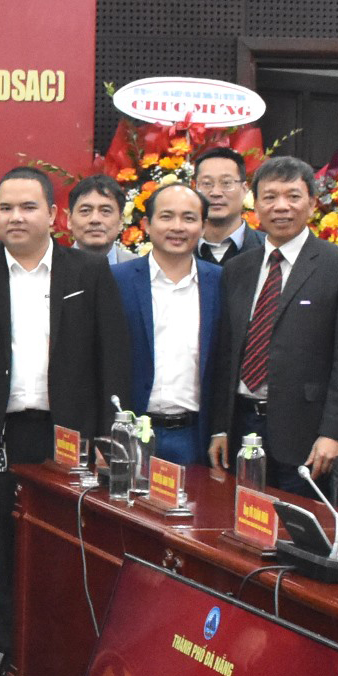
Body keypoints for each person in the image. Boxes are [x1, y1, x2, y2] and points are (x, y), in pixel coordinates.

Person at [0, 167, 128, 676]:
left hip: (71, 437)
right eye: (6, 208)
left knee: (67, 553)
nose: (15, 217)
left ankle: (67, 661)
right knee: (6, 551)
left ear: (54, 215)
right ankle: (15, 660)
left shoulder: (88, 272)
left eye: (28, 207)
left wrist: (109, 437)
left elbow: (112, 361)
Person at [208, 156, 338, 490]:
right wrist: (220, 427)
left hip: (307, 434)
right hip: (241, 426)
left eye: (293, 196)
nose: (281, 206)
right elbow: (226, 353)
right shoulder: (238, 269)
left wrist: (335, 432)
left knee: (296, 531)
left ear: (312, 202)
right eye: (270, 197)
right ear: (256, 204)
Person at [112, 183, 222, 467]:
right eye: (166, 216)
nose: (178, 227)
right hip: (129, 432)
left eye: (188, 218)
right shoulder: (116, 280)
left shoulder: (221, 283)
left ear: (203, 225)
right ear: (147, 224)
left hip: (195, 436)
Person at [191, 147, 255, 265]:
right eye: (206, 184)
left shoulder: (268, 249)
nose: (216, 193)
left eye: (226, 183)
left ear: (244, 189)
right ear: (194, 188)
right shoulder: (179, 251)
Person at [66, 174, 134, 265]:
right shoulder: (51, 269)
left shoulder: (143, 271)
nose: (95, 219)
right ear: (69, 220)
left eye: (105, 211)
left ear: (121, 221)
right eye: (85, 210)